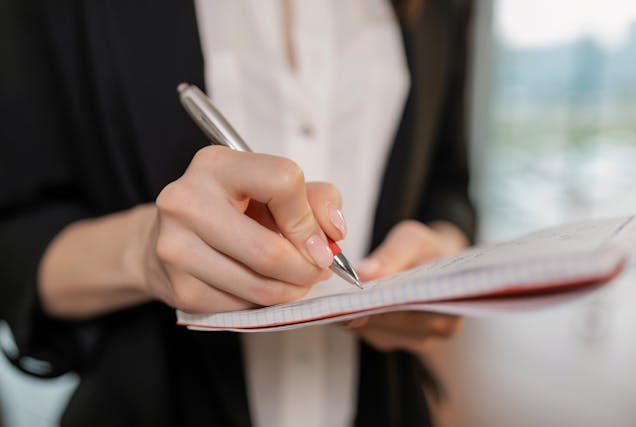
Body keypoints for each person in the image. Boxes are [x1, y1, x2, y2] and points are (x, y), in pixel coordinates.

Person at [0, 0, 475, 426]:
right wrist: (143, 252)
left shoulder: (442, 8)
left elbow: (448, 184)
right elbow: (14, 237)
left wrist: (440, 258)